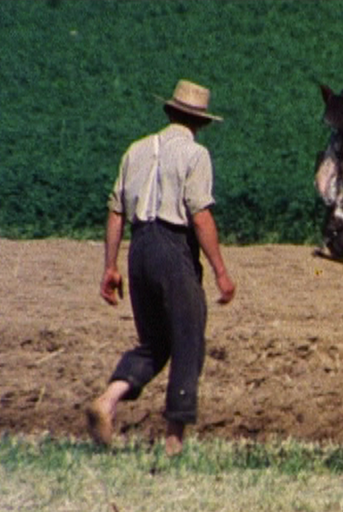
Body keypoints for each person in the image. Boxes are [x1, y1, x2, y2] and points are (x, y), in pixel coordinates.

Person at [86, 79, 236, 456]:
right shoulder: (196, 155)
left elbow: (115, 212)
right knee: (188, 340)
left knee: (154, 344)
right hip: (173, 249)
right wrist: (220, 270)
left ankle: (108, 400)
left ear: (169, 111)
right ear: (201, 122)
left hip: (139, 249)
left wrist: (110, 267)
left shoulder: (135, 150)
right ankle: (173, 442)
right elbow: (200, 216)